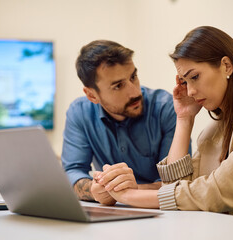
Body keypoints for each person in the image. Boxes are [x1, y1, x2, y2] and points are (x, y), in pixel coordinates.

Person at [95, 26, 233, 226]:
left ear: (226, 65)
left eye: (195, 77)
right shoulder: (214, 131)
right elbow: (175, 192)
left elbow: (220, 191)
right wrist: (184, 119)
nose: (189, 92)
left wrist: (131, 196)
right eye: (185, 82)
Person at [61, 40, 191, 205]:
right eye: (118, 86)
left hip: (163, 211)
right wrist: (95, 191)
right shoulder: (79, 112)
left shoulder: (166, 108)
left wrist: (123, 192)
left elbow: (176, 184)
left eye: (133, 77)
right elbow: (72, 172)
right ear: (92, 95)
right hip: (111, 213)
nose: (135, 92)